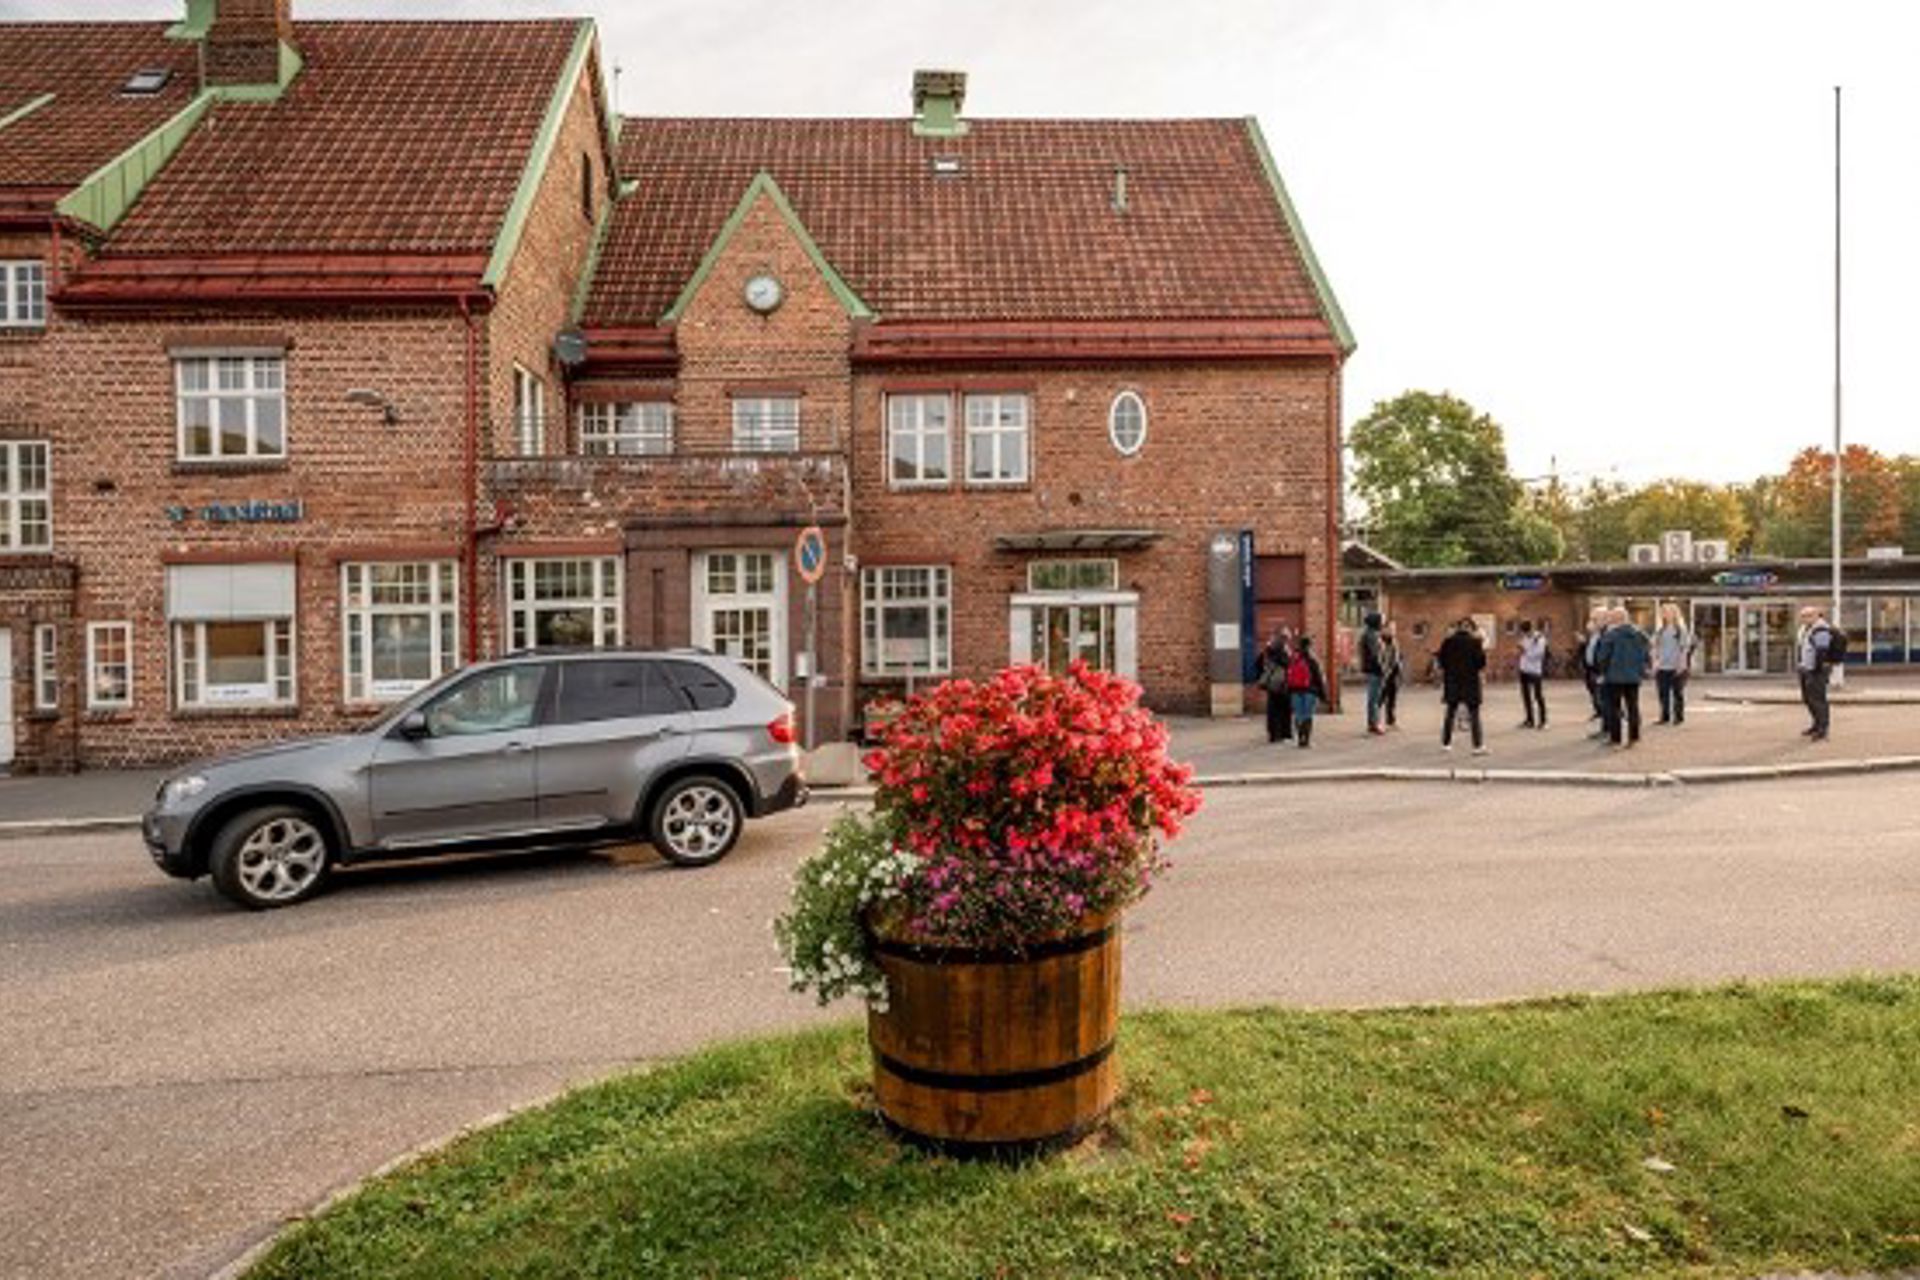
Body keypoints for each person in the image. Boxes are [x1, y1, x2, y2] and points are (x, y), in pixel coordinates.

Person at [1594, 606, 1649, 749]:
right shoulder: (1639, 634)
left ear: (1616, 619)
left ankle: (1616, 739)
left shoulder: (1611, 635)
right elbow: (1646, 654)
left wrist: (1602, 673)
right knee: (1633, 707)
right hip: (1633, 677)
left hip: (1614, 677)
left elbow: (1603, 657)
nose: (1610, 620)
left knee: (1614, 709)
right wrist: (1641, 670)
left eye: (1611, 617)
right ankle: (1634, 737)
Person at [1436, 618, 1487, 755]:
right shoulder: (1475, 642)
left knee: (1450, 713)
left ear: (1458, 628)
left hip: (1452, 681)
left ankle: (1446, 744)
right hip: (1470, 682)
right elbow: (1481, 663)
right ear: (1471, 628)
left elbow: (1441, 661)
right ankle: (1477, 746)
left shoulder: (1448, 642)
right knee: (1474, 715)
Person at [1796, 605, 1837, 741]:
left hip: (1816, 670)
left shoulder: (1821, 629)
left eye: (1806, 616)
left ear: (1815, 616)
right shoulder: (1805, 629)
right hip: (1805, 668)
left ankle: (1822, 729)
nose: (1803, 618)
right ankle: (1815, 724)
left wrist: (1817, 669)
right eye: (1802, 616)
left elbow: (1822, 651)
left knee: (1818, 700)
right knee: (1808, 699)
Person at [1653, 603, 1694, 726]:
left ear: (1674, 614)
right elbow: (1655, 647)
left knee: (1677, 693)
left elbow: (1684, 648)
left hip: (1676, 666)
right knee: (1663, 693)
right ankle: (1664, 716)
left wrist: (1681, 665)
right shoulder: (1660, 630)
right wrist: (1655, 662)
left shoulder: (1680, 629)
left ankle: (1678, 717)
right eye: (1663, 612)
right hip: (1662, 666)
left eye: (1667, 612)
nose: (1664, 614)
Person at [1286, 634, 1329, 748]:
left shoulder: (1294, 658)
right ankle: (1306, 740)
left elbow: (1288, 675)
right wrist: (1323, 695)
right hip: (1310, 691)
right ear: (1310, 645)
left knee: (1298, 715)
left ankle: (1300, 738)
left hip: (1295, 690)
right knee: (1307, 715)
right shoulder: (1312, 659)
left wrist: (1289, 690)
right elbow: (1319, 678)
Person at [1256, 626, 1294, 744]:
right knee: (1285, 709)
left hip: (1271, 684)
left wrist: (1264, 676)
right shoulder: (1283, 649)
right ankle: (1284, 733)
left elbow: (1258, 663)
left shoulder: (1268, 649)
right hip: (1282, 684)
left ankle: (1273, 734)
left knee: (1273, 710)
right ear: (1285, 638)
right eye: (1288, 637)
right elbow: (1287, 664)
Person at [1358, 611, 1388, 736]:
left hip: (1372, 669)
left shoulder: (1371, 634)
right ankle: (1373, 724)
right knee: (1374, 698)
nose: (1383, 623)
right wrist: (1382, 669)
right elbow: (1376, 655)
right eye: (1381, 620)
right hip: (1375, 670)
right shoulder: (1372, 635)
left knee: (1374, 697)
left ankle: (1373, 723)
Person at [1516, 619, 1549, 729]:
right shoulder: (1524, 638)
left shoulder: (1539, 638)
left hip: (1535, 671)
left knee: (1538, 696)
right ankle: (1529, 720)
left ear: (1530, 629)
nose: (1524, 635)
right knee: (1526, 696)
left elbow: (1539, 654)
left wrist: (1525, 650)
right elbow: (1521, 653)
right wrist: (1521, 650)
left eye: (1525, 632)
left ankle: (1543, 721)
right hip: (1524, 669)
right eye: (1523, 633)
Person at [1581, 606, 1609, 736]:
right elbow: (1590, 651)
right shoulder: (1594, 634)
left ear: (1603, 619)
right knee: (1599, 699)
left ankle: (1607, 729)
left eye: (1595, 619)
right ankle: (1605, 728)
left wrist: (1603, 672)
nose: (1592, 622)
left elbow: (1606, 655)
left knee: (1604, 700)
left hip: (1601, 672)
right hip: (1591, 670)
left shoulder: (1606, 634)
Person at [1380, 621, 1404, 729]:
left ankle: (1391, 721)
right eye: (1390, 628)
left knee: (1392, 698)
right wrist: (1386, 671)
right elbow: (1384, 658)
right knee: (1381, 698)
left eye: (1394, 628)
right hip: (1386, 673)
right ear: (1385, 629)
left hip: (1394, 673)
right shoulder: (1382, 641)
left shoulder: (1394, 641)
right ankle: (1375, 720)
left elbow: (1396, 657)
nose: (1393, 630)